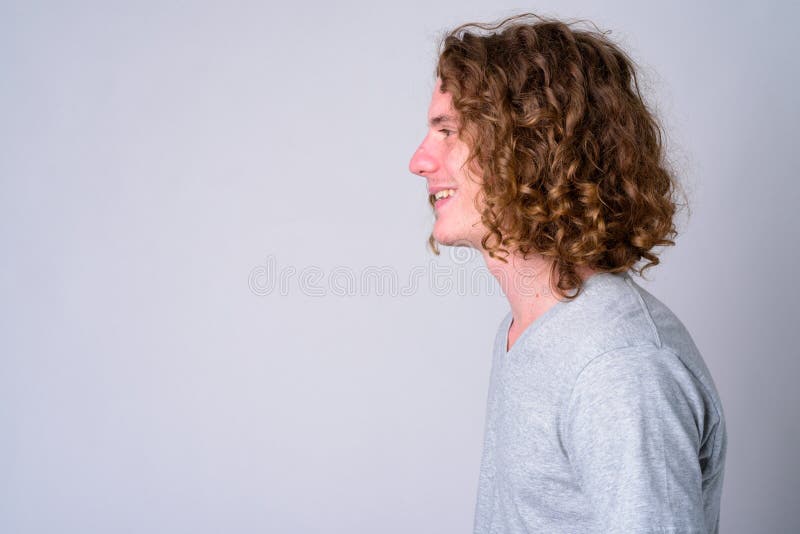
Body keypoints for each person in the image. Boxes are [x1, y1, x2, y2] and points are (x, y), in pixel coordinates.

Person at [408, 14, 727, 534]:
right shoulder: (528, 330)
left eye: (447, 131)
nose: (419, 160)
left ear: (532, 147)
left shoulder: (619, 371)